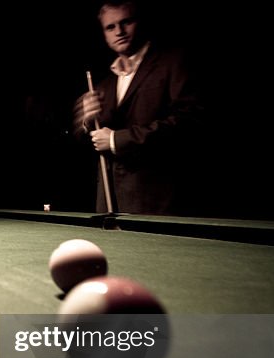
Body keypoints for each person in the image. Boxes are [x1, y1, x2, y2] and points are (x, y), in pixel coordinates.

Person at [73, 0, 201, 215]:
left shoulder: (172, 61)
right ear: (104, 34)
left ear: (140, 22)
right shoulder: (104, 83)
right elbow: (94, 142)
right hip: (109, 204)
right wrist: (86, 122)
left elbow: (189, 121)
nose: (119, 32)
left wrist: (117, 139)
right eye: (110, 27)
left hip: (157, 201)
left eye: (126, 22)